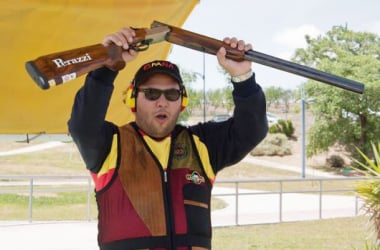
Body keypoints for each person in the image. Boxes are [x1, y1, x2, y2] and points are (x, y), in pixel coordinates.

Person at [68, 27, 268, 250]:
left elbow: (251, 130)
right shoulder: (111, 144)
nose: (162, 102)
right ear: (133, 100)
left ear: (181, 102)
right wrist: (107, 65)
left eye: (171, 94)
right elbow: (82, 125)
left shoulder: (201, 144)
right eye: (152, 94)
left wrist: (243, 77)